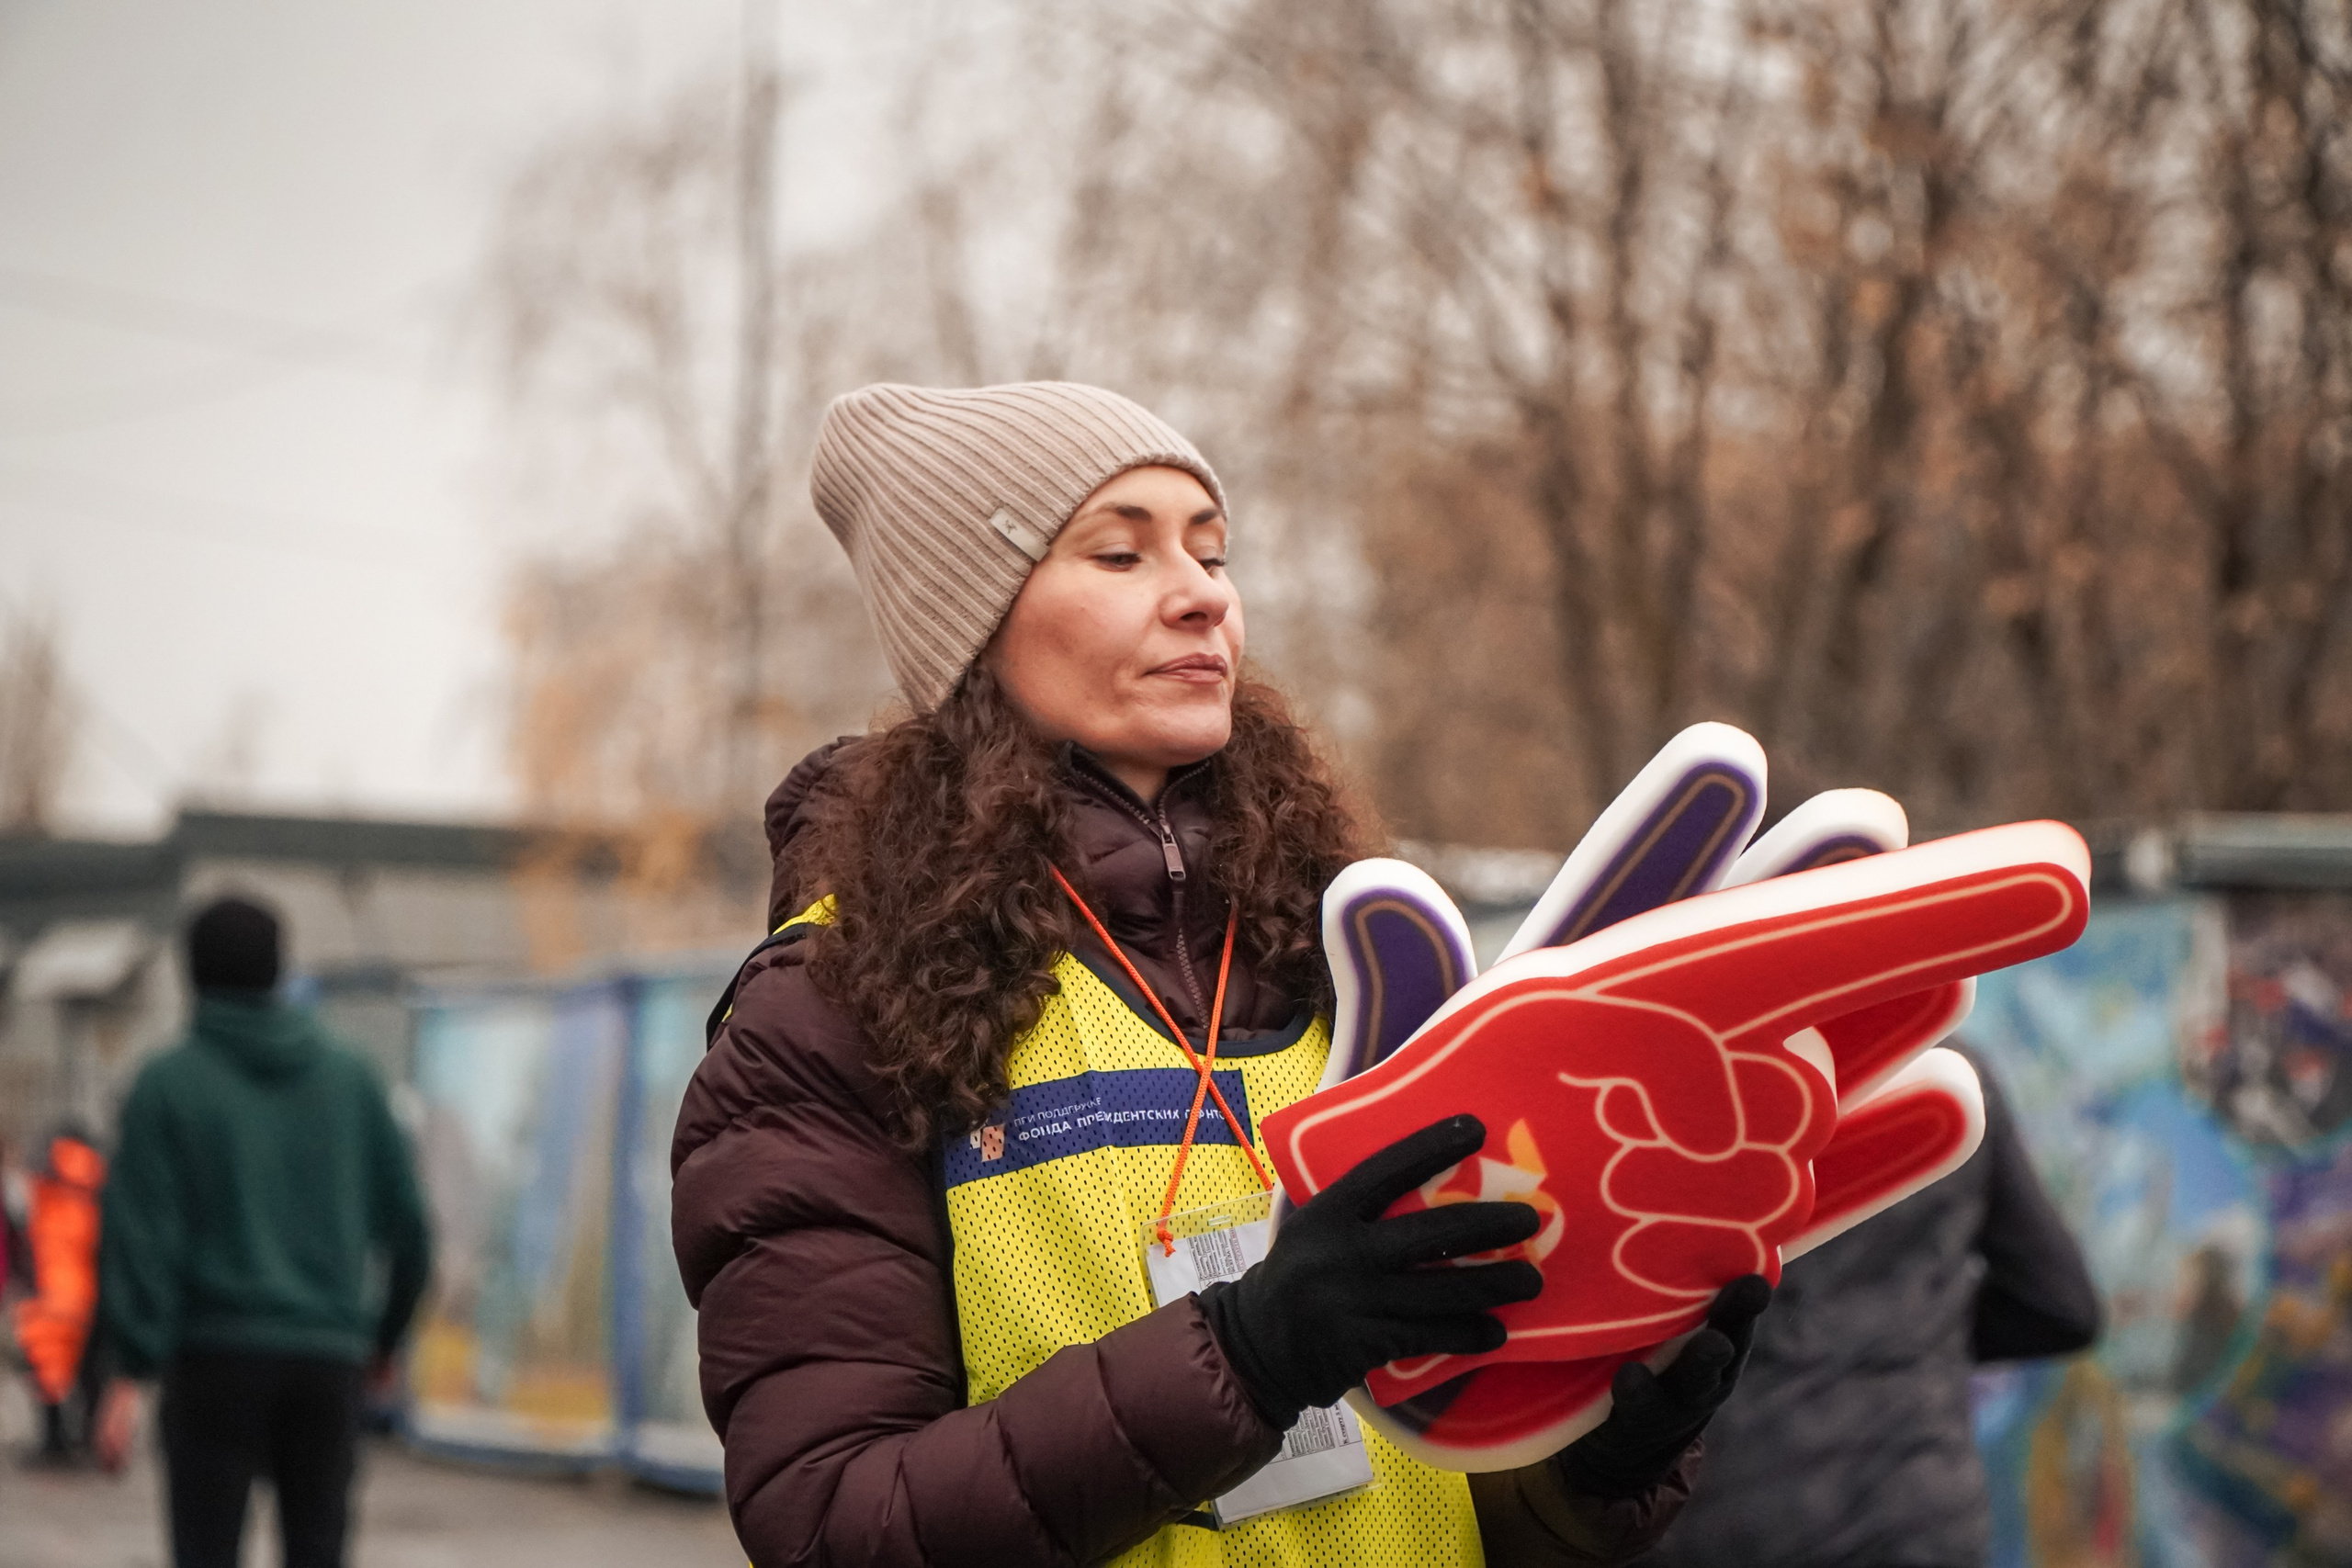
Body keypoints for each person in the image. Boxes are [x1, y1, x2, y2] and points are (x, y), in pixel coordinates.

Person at [673, 381, 1769, 1568]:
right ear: (973, 624)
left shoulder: (1362, 957)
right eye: (1119, 551)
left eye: (1213, 551)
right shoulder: (828, 1010)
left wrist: (1602, 1446)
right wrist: (1245, 1354)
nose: (1203, 593)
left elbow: (1469, 1494)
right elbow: (839, 1522)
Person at [1636, 1043, 2101, 1568]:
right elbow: (2061, 1306)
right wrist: (1925, 1336)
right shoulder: (1948, 1081)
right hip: (1912, 1512)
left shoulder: (1669, 1086)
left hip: (1722, 1514)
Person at [93, 896, 432, 1568]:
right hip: (328, 1359)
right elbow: (412, 1229)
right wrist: (383, 1338)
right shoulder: (353, 1078)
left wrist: (129, 1369)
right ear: (280, 970)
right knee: (317, 1550)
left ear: (193, 975)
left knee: (206, 1550)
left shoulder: (166, 1084)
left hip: (211, 1357)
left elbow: (141, 1235)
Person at [12, 1124, 107, 1465]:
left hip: (48, 1291)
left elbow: (24, 1232)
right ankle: (88, 1439)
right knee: (92, 1372)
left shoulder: (43, 1176)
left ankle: (54, 1443)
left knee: (47, 1371)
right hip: (90, 1293)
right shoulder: (97, 1180)